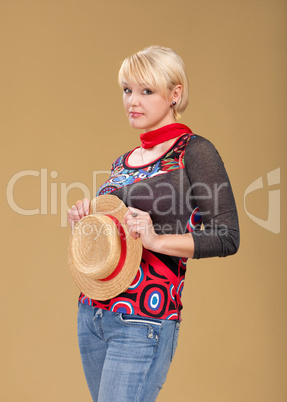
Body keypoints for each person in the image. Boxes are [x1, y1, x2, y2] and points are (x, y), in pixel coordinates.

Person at [67, 45, 240, 402]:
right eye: (128, 90)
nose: (133, 100)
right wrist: (86, 222)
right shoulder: (123, 161)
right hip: (93, 314)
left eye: (147, 91)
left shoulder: (193, 152)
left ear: (175, 94)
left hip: (143, 319)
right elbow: (117, 236)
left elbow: (227, 237)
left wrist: (157, 240)